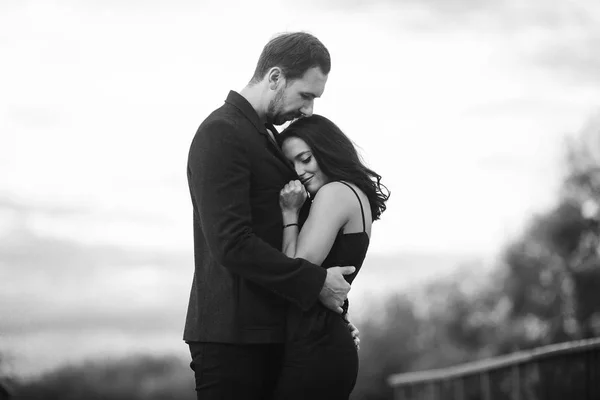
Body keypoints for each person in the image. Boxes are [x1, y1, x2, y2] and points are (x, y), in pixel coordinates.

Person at [184, 32, 356, 399]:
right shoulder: (221, 133)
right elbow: (232, 244)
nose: (309, 110)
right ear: (275, 78)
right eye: (306, 95)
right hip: (232, 339)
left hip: (272, 333)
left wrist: (326, 317)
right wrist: (315, 284)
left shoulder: (264, 137)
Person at [274, 114, 389, 399]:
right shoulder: (355, 194)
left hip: (317, 348)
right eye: (292, 164)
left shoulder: (334, 193)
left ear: (326, 150)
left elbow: (294, 271)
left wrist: (289, 213)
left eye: (305, 158)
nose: (299, 171)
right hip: (326, 341)